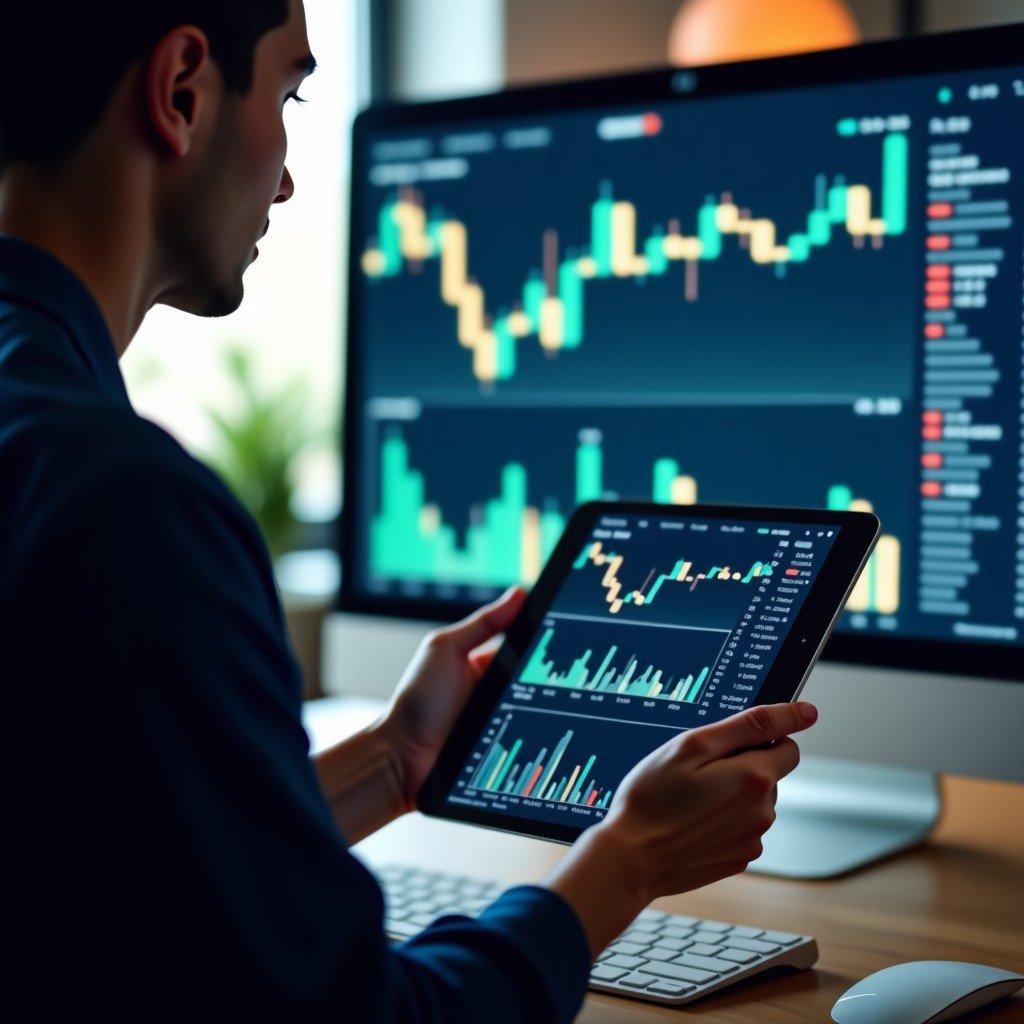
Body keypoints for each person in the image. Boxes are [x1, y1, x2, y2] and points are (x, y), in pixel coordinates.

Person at [0, 1, 817, 1020]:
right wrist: (628, 859)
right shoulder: (127, 508)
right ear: (180, 93)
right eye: (290, 92)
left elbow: (105, 876)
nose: (291, 175)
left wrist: (393, 760)